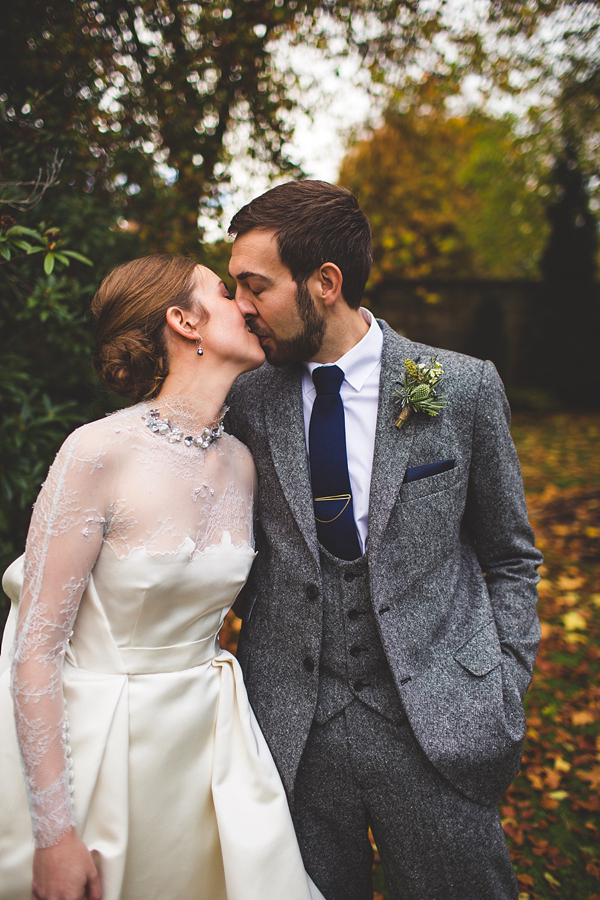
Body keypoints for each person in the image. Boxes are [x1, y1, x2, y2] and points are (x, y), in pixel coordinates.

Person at [225, 180, 543, 900]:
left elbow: (511, 556)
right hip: (291, 738)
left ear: (325, 283)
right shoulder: (246, 398)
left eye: (255, 285)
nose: (241, 305)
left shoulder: (459, 389)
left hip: (439, 726)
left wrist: (501, 686)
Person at [0, 254, 324, 900]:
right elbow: (34, 653)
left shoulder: (241, 464)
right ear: (185, 322)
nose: (247, 304)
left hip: (209, 748)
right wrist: (54, 834)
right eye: (224, 293)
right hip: (103, 749)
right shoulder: (96, 454)